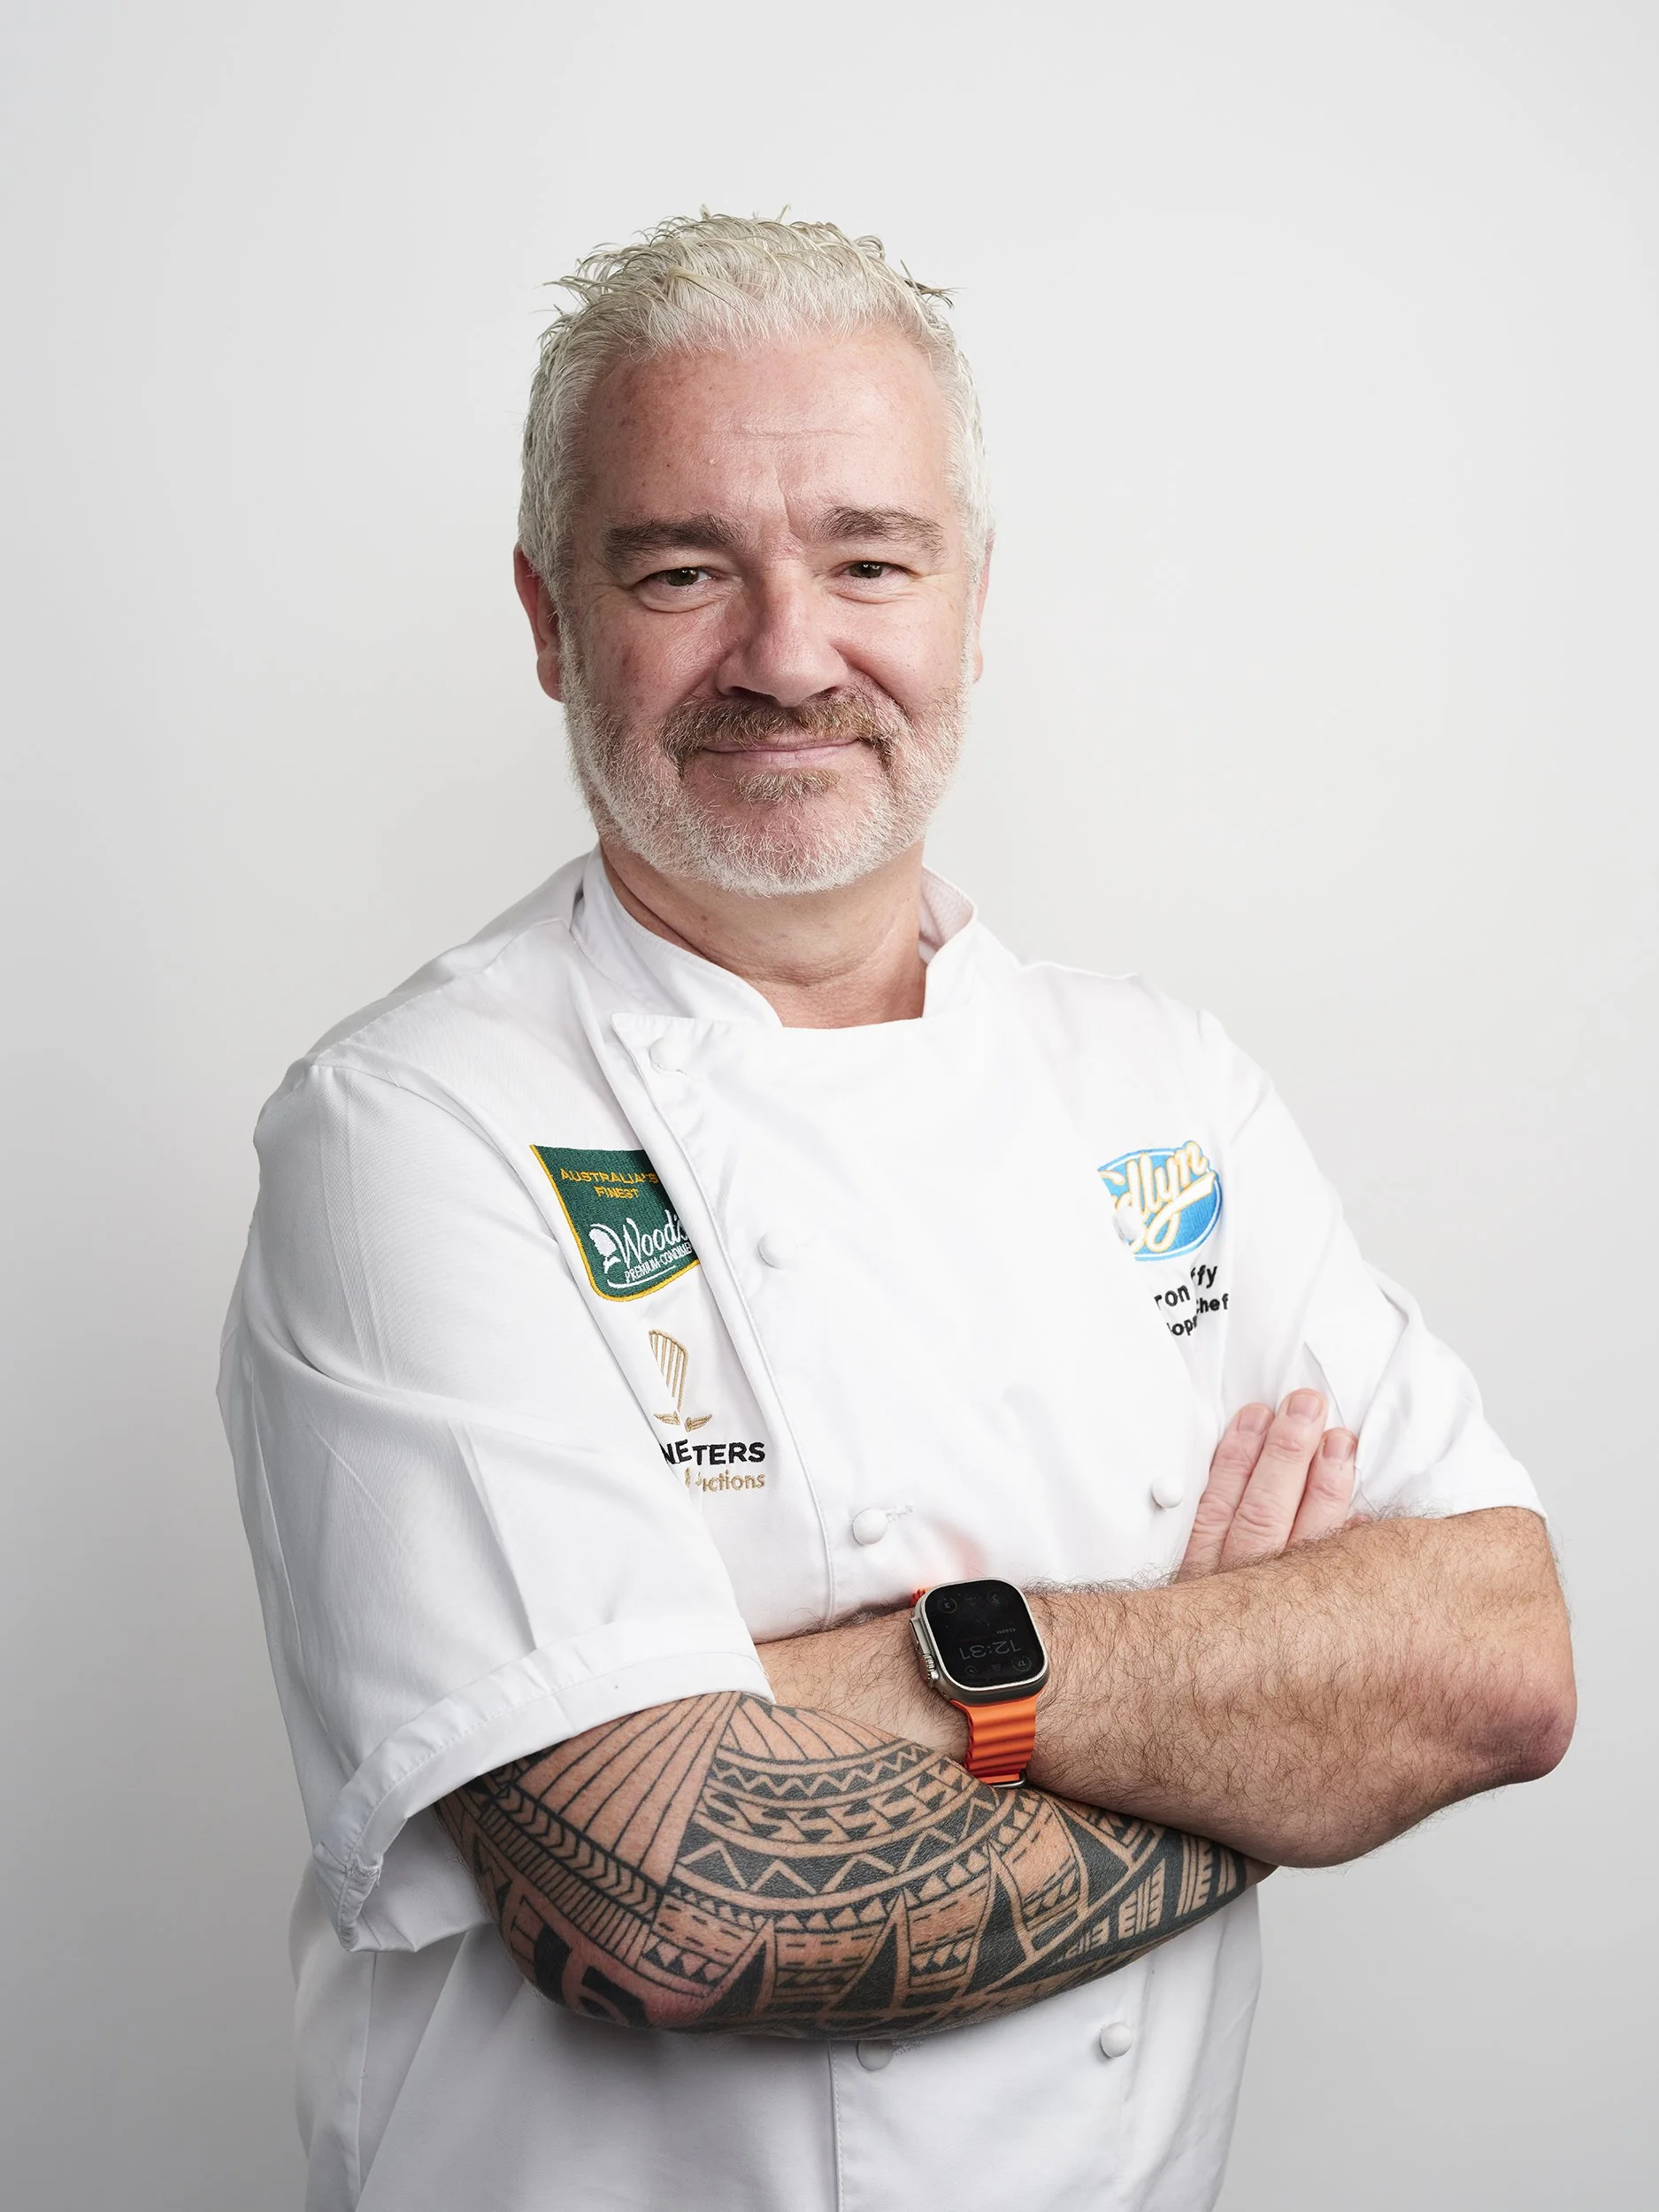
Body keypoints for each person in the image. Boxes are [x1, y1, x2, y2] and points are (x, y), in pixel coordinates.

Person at [220, 214, 1575, 2212]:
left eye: (868, 557)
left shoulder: (1161, 1082)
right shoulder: (407, 1130)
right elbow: (678, 1899)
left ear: (968, 596)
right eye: (681, 568)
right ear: (545, 617)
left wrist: (858, 1689)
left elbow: (1500, 1660)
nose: (787, 651)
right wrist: (1265, 1723)